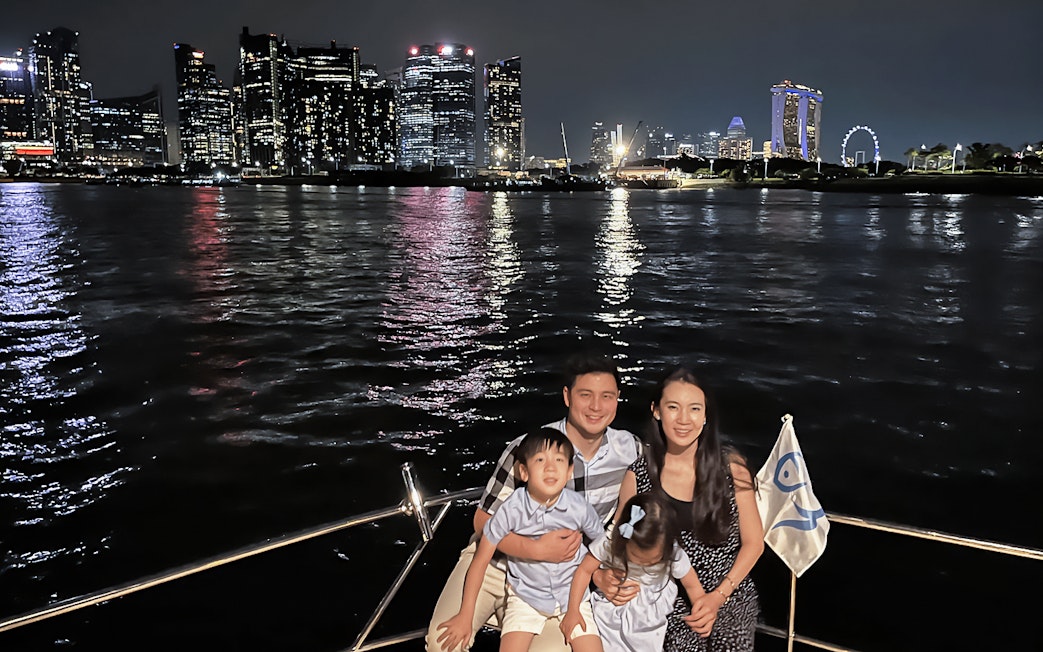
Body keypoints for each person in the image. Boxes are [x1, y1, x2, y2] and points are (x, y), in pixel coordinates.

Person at [425, 353, 641, 652]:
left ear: (618, 399)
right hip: (494, 562)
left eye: (607, 396)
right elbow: (482, 520)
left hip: (562, 579)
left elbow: (642, 504)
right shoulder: (528, 449)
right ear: (567, 396)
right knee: (441, 644)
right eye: (585, 395)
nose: (596, 406)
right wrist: (534, 548)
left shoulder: (631, 450)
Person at [610, 367, 764, 652]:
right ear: (656, 411)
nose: (683, 419)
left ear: (706, 415)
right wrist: (606, 576)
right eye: (673, 407)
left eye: (694, 409)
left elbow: (754, 543)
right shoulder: (639, 475)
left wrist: (717, 597)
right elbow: (621, 539)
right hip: (664, 597)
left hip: (728, 591)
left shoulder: (732, 468)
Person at [437, 428, 606, 652]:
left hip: (572, 597)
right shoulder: (511, 509)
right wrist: (465, 615)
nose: (550, 467)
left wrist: (595, 574)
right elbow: (480, 560)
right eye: (539, 459)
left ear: (569, 471)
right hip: (526, 598)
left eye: (559, 460)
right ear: (524, 472)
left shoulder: (580, 508)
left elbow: (603, 544)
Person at [561, 493, 707, 652]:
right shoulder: (610, 542)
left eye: (654, 560)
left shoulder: (673, 552)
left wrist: (701, 608)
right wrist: (573, 610)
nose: (644, 563)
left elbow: (692, 585)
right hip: (614, 606)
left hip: (650, 613)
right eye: (637, 557)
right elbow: (584, 570)